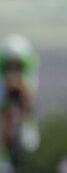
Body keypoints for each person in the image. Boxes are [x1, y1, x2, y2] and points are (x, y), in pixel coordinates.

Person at [0, 34, 40, 172]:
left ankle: (28, 123)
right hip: (4, 82)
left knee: (26, 97)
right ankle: (4, 156)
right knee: (4, 114)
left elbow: (29, 88)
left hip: (25, 79)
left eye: (16, 64)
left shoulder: (28, 63)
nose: (13, 67)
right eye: (10, 64)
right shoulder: (2, 63)